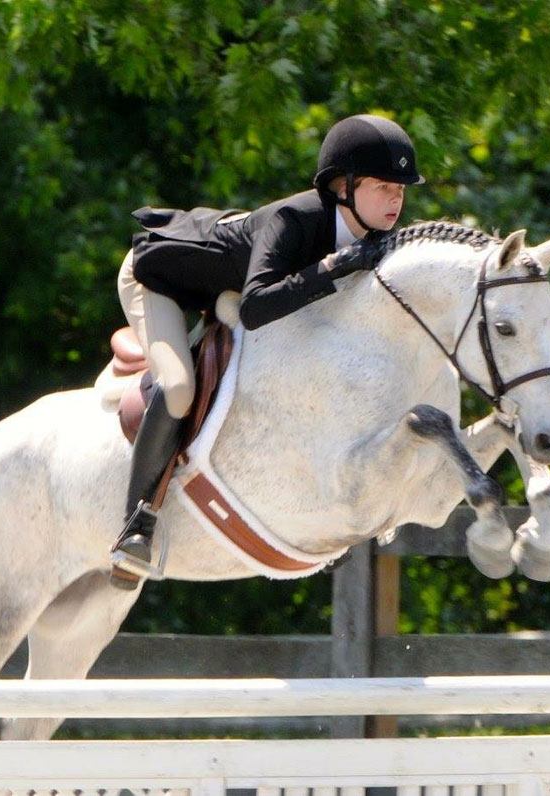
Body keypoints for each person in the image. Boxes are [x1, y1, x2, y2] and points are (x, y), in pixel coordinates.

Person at [110, 113, 425, 589]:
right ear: (343, 186)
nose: (396, 197)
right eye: (383, 185)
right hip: (156, 278)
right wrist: (336, 266)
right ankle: (137, 526)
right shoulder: (294, 219)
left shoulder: (374, 241)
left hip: (224, 287)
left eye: (400, 188)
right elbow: (258, 307)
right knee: (177, 389)